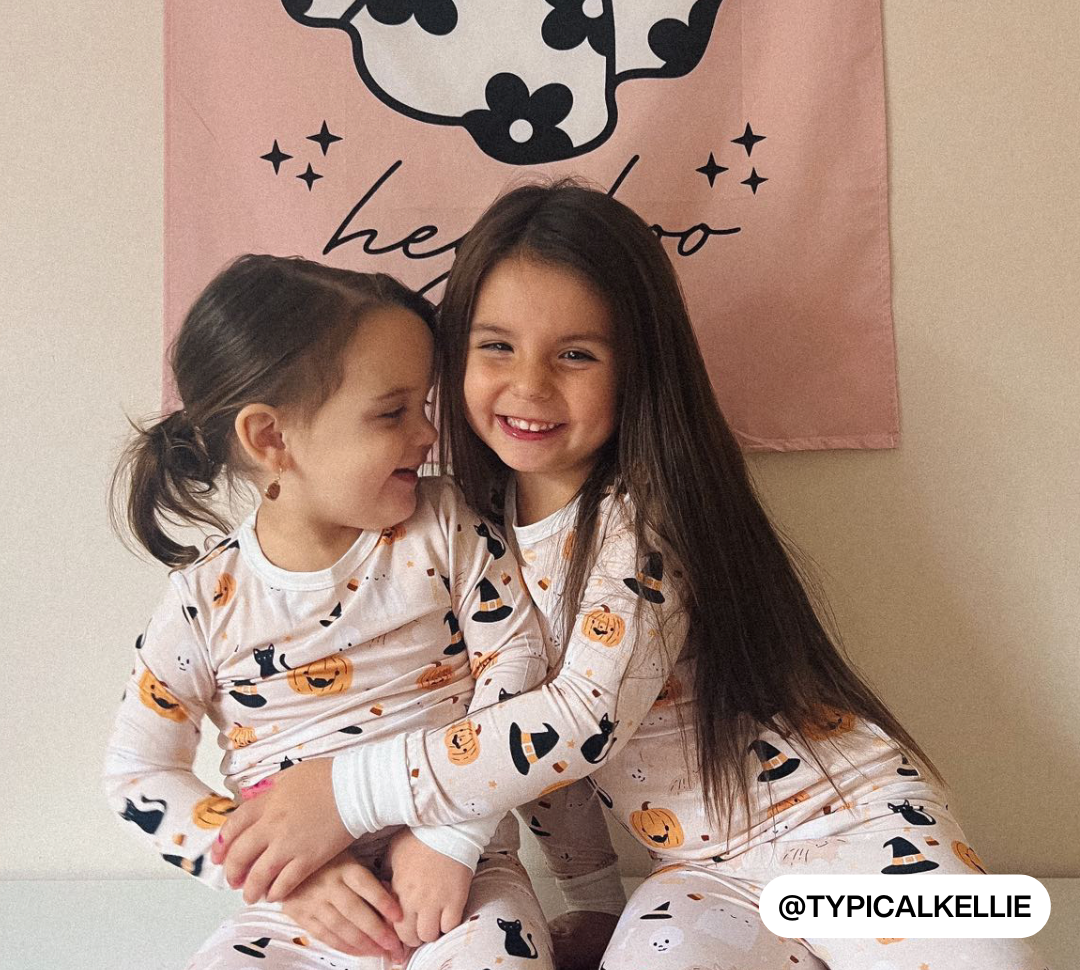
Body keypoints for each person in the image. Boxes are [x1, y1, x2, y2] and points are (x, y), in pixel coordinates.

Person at [212, 189, 1050, 970]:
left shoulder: (644, 515)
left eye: (575, 354)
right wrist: (592, 899)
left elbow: (581, 720)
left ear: (636, 367)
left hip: (855, 826)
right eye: (496, 347)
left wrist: (350, 794)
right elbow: (510, 737)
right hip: (699, 875)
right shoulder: (460, 530)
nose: (529, 385)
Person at [104, 253, 554, 970]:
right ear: (271, 439)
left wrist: (450, 838)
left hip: (460, 878)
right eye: (393, 413)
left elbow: (522, 665)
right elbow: (137, 771)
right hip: (297, 913)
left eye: (425, 406)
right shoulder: (203, 603)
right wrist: (278, 873)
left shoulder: (444, 527)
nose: (427, 434)